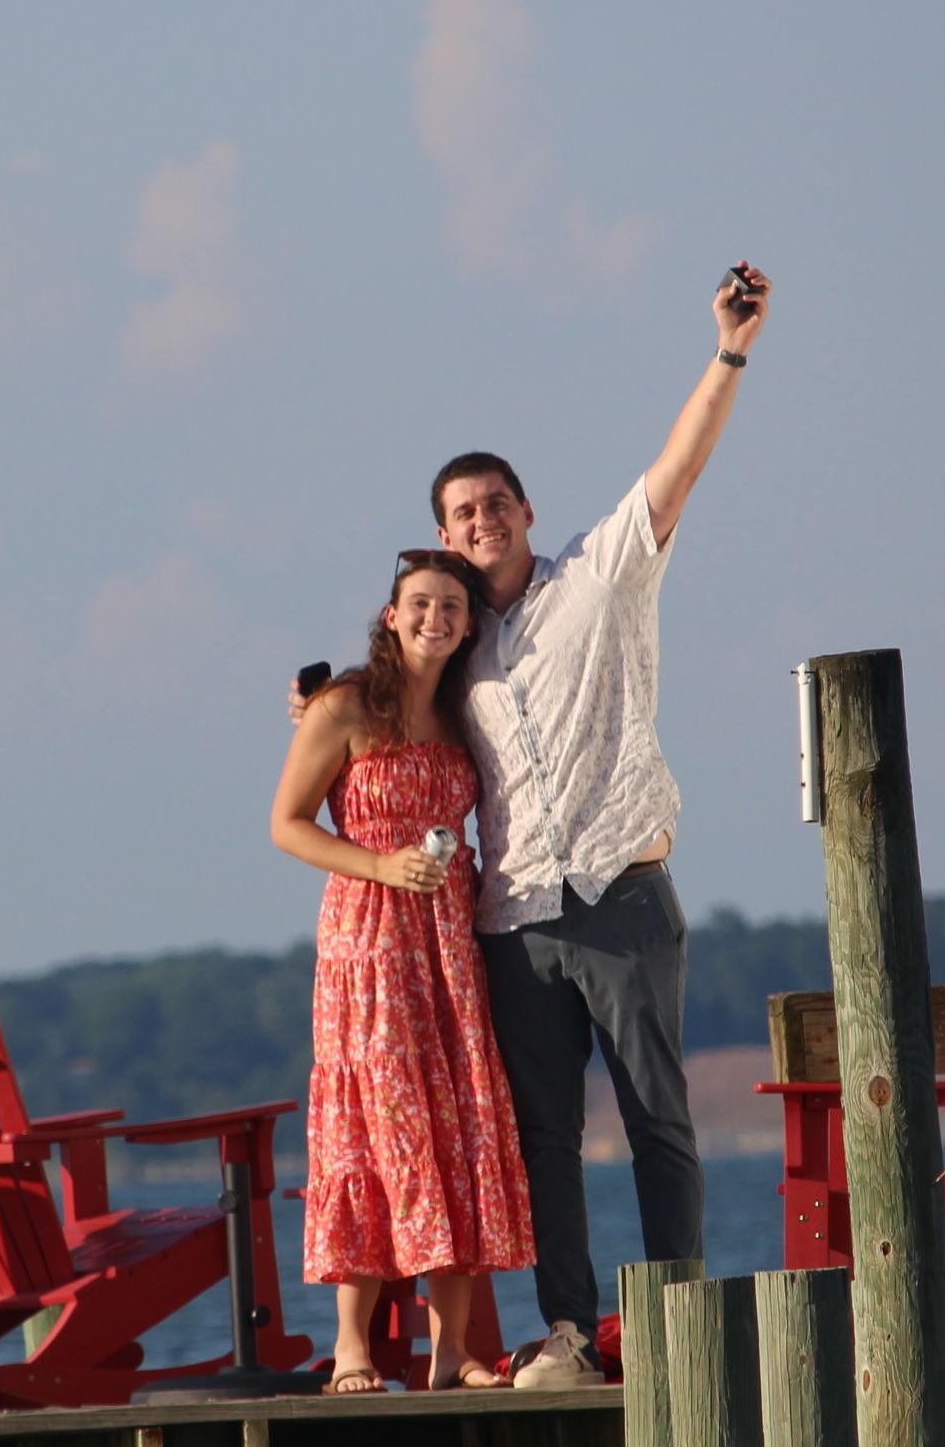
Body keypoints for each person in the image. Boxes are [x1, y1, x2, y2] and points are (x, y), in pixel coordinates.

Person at [290, 262, 771, 1390]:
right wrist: (311, 701)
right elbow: (372, 723)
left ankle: (679, 1320)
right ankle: (565, 1332)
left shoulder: (598, 580)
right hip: (508, 920)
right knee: (540, 1138)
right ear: (441, 539)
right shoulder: (446, 652)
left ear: (526, 511)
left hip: (620, 895)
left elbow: (678, 465)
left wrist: (729, 349)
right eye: (460, 515)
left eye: (494, 503)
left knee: (658, 1117)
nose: (481, 520)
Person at [270, 550, 535, 1394]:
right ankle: (351, 1348)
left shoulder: (465, 711)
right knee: (373, 1128)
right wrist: (380, 867)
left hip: (449, 944)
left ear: (468, 622)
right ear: (391, 614)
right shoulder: (346, 706)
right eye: (420, 603)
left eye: (452, 606)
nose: (436, 618)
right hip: (371, 942)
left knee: (454, 1125)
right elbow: (287, 824)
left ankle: (450, 1350)